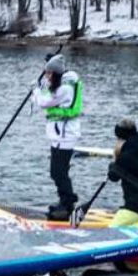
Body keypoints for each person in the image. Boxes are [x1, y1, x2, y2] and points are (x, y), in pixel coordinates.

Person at [35, 54, 82, 220]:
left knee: (58, 171)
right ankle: (65, 200)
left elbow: (44, 102)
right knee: (58, 171)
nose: (47, 76)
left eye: (49, 73)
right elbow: (50, 93)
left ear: (56, 73)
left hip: (65, 135)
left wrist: (37, 90)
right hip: (59, 134)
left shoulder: (65, 89)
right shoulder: (63, 84)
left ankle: (68, 204)